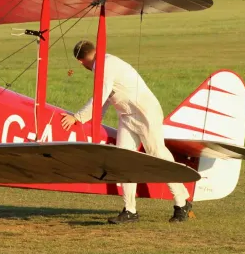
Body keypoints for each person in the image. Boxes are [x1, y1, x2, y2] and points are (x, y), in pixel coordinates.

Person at [60, 40, 193, 224]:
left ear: (80, 62)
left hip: (145, 112)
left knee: (157, 154)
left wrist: (77, 117)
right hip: (127, 116)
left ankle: (182, 202)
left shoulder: (105, 65)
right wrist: (88, 120)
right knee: (123, 159)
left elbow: (100, 97)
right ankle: (130, 210)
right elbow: (106, 100)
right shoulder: (103, 65)